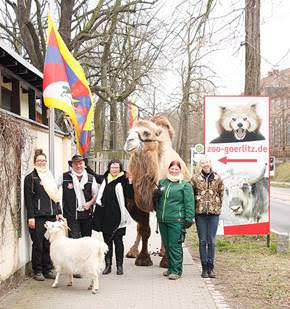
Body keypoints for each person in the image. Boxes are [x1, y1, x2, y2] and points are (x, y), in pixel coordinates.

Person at [24, 149, 62, 281]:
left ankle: (47, 269)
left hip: (51, 216)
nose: (41, 162)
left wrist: (59, 212)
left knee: (48, 244)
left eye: (43, 160)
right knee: (38, 244)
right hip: (38, 217)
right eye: (39, 160)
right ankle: (38, 271)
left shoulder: (50, 176)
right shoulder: (31, 178)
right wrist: (31, 217)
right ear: (35, 162)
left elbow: (56, 196)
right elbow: (28, 199)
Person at [92, 159, 133, 276]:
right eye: (112, 167)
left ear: (120, 169)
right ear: (109, 168)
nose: (114, 170)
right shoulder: (105, 179)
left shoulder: (123, 180)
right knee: (107, 242)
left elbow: (130, 195)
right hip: (105, 215)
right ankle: (108, 265)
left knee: (118, 242)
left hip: (119, 216)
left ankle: (119, 266)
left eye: (117, 168)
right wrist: (84, 164)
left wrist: (130, 183)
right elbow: (93, 174)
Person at [156, 160, 195, 280]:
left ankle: (177, 271)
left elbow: (189, 204)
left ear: (180, 170)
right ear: (168, 169)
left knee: (175, 245)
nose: (173, 171)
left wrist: (188, 219)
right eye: (171, 169)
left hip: (176, 220)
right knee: (167, 245)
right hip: (163, 219)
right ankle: (170, 268)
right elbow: (158, 200)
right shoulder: (162, 183)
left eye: (176, 169)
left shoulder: (185, 185)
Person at [191, 157, 224, 278]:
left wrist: (217, 208)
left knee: (212, 241)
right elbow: (191, 194)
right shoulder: (194, 179)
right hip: (200, 214)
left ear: (210, 164)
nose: (205, 164)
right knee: (202, 240)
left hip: (213, 213)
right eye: (203, 163)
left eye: (207, 162)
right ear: (200, 165)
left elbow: (221, 194)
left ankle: (211, 267)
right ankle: (204, 268)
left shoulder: (218, 178)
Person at [58, 154, 99, 239]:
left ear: (84, 164)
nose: (78, 166)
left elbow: (96, 195)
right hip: (71, 215)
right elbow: (53, 190)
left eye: (80, 163)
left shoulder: (91, 178)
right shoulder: (64, 176)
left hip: (87, 215)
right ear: (72, 165)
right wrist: (58, 210)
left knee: (86, 240)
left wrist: (90, 203)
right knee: (74, 240)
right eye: (75, 164)